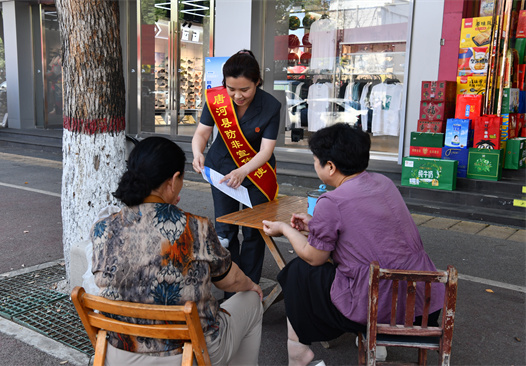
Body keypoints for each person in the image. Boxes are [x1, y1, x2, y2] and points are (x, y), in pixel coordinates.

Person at [262, 123, 445, 365]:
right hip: (424, 304)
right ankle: (375, 345)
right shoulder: (384, 183)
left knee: (299, 271)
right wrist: (316, 225)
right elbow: (368, 231)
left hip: (377, 308)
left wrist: (284, 228)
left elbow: (314, 256)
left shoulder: (332, 201)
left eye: (315, 160)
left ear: (330, 166)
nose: (315, 165)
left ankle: (298, 351)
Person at [90, 136, 263, 366]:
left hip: (119, 355)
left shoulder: (102, 228)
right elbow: (230, 281)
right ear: (173, 181)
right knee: (252, 300)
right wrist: (252, 285)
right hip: (188, 355)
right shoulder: (196, 227)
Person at [191, 49, 281, 290]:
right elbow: (202, 133)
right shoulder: (216, 100)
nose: (238, 95)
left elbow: (265, 151)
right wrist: (198, 152)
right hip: (221, 169)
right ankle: (232, 286)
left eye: (245, 90)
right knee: (225, 231)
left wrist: (243, 171)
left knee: (253, 232)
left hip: (256, 173)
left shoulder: (271, 106)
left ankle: (251, 287)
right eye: (232, 89)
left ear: (257, 82)